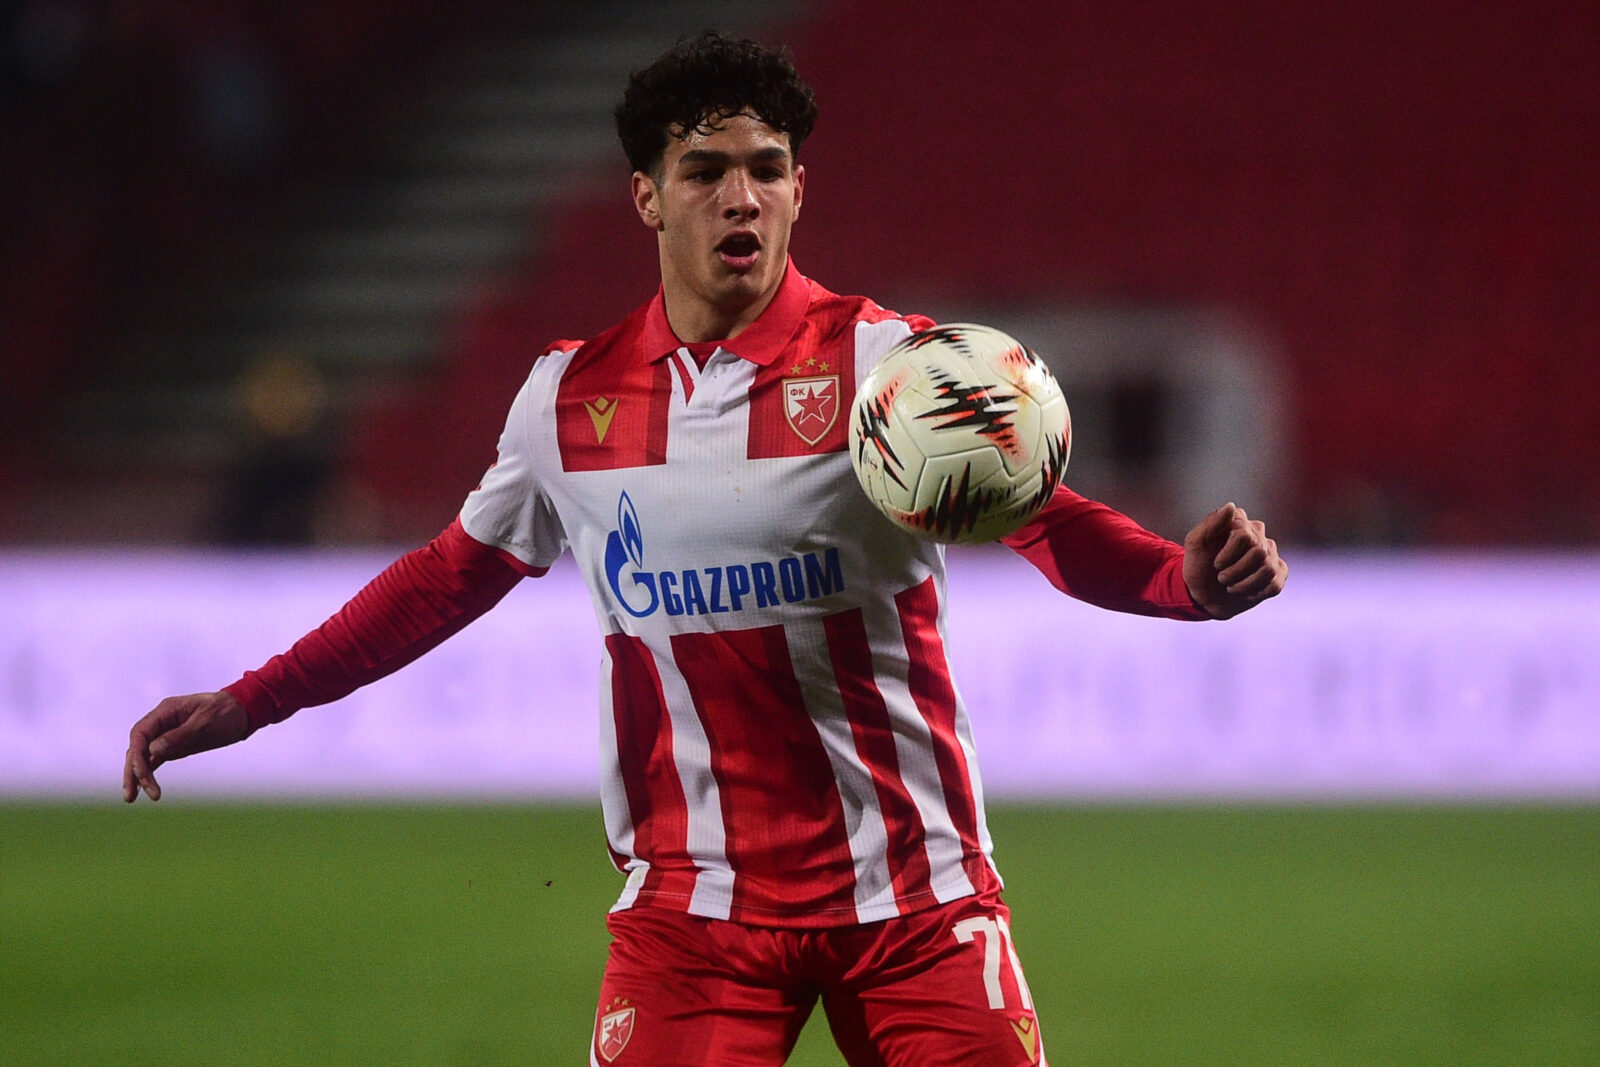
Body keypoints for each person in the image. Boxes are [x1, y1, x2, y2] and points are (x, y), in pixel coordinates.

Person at [123, 32, 1288, 1066]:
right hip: (695, 908)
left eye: (767, 169)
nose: (742, 196)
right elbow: (442, 581)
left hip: (914, 893)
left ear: (797, 190)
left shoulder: (889, 367)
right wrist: (251, 699)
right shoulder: (565, 402)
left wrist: (1180, 581)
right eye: (706, 170)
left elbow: (1041, 515)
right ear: (646, 197)